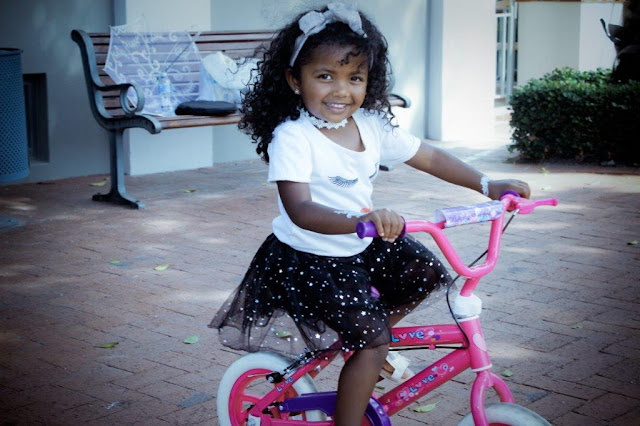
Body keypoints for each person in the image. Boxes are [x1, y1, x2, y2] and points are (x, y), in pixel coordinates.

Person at [210, 3, 531, 424]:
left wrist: (487, 184)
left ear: (369, 81)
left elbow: (429, 156)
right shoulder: (293, 137)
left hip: (359, 243)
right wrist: (362, 222)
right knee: (374, 344)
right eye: (325, 76)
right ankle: (366, 357)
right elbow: (300, 210)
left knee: (423, 273)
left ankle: (363, 340)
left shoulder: (371, 125)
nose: (341, 91)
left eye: (354, 78)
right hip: (312, 257)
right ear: (294, 80)